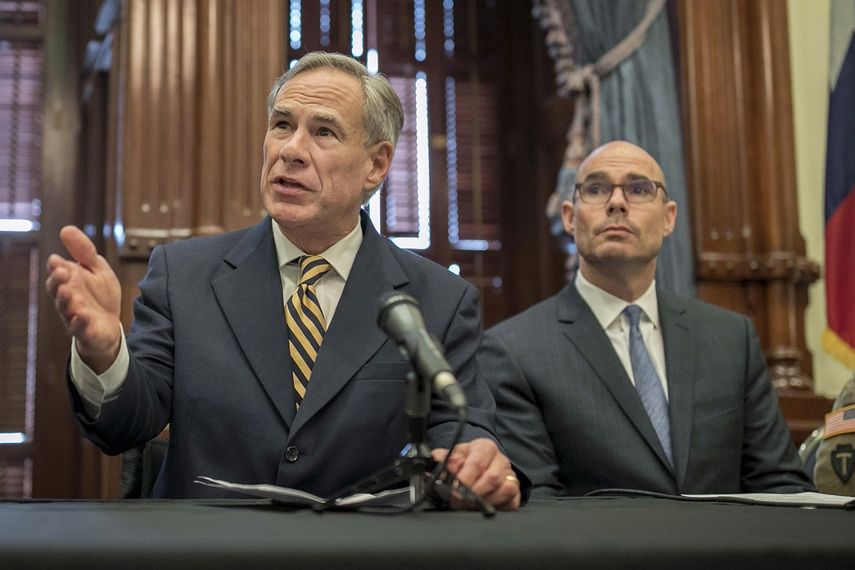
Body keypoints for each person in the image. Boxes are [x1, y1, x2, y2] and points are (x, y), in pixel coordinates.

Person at [46, 51, 521, 509]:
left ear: (375, 165)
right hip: (211, 551)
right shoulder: (183, 275)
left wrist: (471, 465)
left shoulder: (439, 300)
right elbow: (125, 427)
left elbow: (462, 437)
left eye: (324, 132)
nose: (291, 150)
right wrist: (105, 354)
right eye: (282, 125)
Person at [480, 140, 812, 497]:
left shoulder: (731, 338)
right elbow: (541, 507)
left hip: (727, 551)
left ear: (669, 218)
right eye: (596, 189)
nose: (617, 203)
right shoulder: (514, 350)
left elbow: (781, 487)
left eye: (638, 189)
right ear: (570, 218)